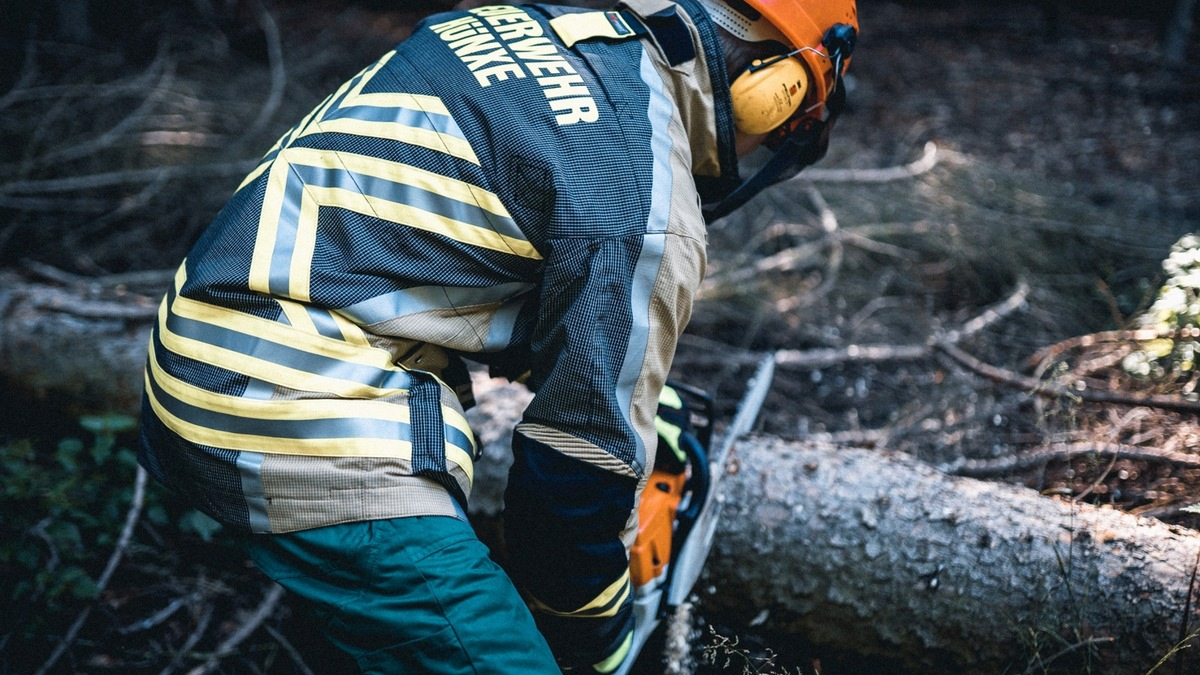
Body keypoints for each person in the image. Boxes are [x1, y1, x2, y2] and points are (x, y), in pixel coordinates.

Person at [136, 0, 858, 672]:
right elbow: (570, 484)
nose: (762, 144)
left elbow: (451, 250)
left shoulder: (514, 27)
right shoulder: (645, 198)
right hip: (295, 409)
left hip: (200, 344)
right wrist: (601, 637)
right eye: (782, 127)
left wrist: (621, 393)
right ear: (775, 87)